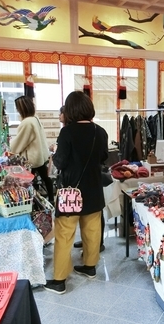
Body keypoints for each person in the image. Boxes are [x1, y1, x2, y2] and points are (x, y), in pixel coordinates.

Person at [44, 91, 108, 295]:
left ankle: (59, 280)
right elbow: (103, 158)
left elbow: (60, 162)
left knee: (64, 233)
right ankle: (90, 267)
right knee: (92, 230)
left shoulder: (67, 133)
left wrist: (54, 152)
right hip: (94, 190)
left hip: (71, 193)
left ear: (70, 110)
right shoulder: (101, 131)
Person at [10, 95, 54, 204]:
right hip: (39, 155)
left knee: (28, 181)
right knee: (45, 178)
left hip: (32, 158)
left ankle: (34, 202)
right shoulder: (35, 119)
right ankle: (51, 199)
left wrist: (11, 145)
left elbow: (20, 142)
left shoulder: (27, 123)